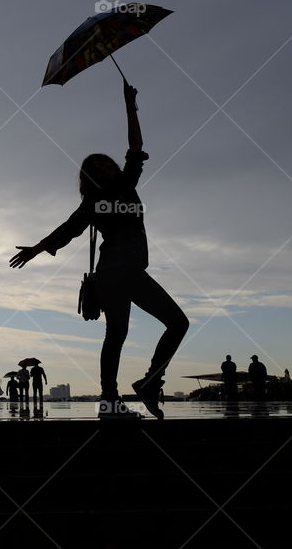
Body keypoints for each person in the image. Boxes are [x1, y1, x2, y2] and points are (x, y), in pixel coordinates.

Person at [10, 80, 189, 420]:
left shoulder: (125, 184)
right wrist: (36, 248)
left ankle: (135, 388)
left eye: (108, 164)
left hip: (125, 272)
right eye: (98, 168)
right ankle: (128, 391)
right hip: (117, 272)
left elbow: (135, 144)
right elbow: (69, 228)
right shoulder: (93, 202)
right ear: (90, 178)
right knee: (144, 328)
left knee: (150, 328)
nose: (107, 169)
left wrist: (130, 104)